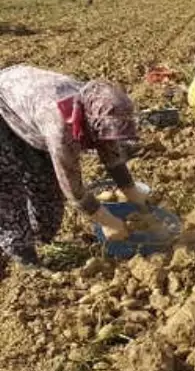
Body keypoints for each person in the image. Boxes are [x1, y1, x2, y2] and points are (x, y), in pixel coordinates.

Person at [0, 66, 146, 265]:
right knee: (8, 188)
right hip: (5, 101)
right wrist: (107, 221)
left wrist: (132, 193)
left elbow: (109, 148)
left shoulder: (93, 105)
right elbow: (73, 189)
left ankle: (40, 238)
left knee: (45, 184)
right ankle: (22, 255)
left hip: (29, 112)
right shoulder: (61, 127)